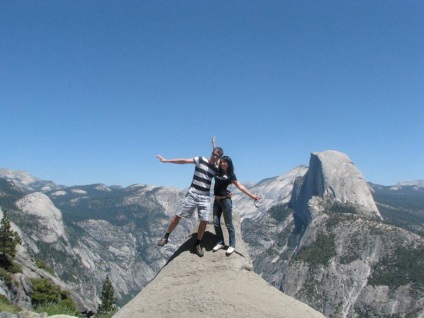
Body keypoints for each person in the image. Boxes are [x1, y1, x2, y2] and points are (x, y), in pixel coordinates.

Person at [156, 145, 224, 257]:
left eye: (217, 155)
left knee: (204, 220)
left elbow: (224, 173)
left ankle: (197, 244)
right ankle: (166, 236)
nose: (214, 156)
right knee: (178, 216)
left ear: (219, 157)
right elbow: (184, 161)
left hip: (205, 197)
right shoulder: (201, 159)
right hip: (193, 193)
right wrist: (167, 160)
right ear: (211, 152)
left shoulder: (216, 169)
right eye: (213, 153)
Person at [211, 137, 261, 255]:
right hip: (216, 201)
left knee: (228, 224)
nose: (223, 163)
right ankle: (221, 242)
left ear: (228, 164)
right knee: (216, 222)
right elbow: (216, 155)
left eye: (225, 162)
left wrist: (253, 196)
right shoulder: (218, 170)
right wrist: (213, 144)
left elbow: (241, 187)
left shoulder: (231, 176)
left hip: (225, 202)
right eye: (222, 162)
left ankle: (232, 245)